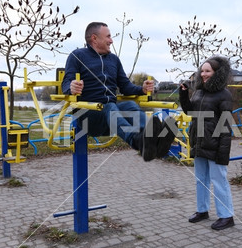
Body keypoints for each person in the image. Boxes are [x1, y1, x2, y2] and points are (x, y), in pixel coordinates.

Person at [62, 21, 175, 161]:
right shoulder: (77, 56)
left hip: (110, 113)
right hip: (88, 116)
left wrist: (142, 89)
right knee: (110, 107)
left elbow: (126, 87)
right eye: (108, 36)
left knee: (130, 106)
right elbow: (66, 83)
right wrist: (71, 87)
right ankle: (137, 141)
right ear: (94, 38)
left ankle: (154, 142)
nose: (111, 40)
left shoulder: (114, 60)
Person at [179, 56, 235, 231]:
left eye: (208, 71)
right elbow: (190, 112)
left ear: (217, 73)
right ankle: (202, 210)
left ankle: (226, 216)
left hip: (216, 144)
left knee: (219, 181)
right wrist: (183, 94)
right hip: (199, 142)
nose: (203, 74)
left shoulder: (224, 94)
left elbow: (225, 125)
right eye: (202, 71)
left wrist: (222, 152)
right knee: (200, 180)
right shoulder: (199, 92)